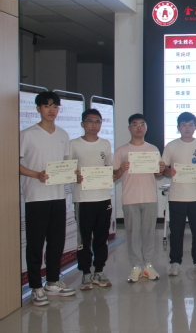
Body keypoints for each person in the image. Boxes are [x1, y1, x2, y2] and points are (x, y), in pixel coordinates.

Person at [20, 91, 77, 306]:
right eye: (46, 105)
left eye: (55, 106)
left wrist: (72, 173)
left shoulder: (63, 134)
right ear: (38, 109)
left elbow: (66, 163)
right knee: (36, 243)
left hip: (58, 195)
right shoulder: (27, 134)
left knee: (56, 241)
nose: (51, 110)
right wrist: (37, 175)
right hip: (36, 196)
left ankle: (52, 281)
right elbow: (14, 163)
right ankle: (36, 286)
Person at [113, 114, 166, 283]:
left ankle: (148, 265)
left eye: (142, 124)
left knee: (149, 233)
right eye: (135, 124)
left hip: (149, 197)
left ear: (146, 128)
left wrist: (161, 169)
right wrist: (121, 169)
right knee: (133, 233)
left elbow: (157, 174)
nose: (139, 127)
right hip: (130, 198)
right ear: (129, 128)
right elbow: (114, 176)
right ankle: (136, 266)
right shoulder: (121, 150)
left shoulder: (153, 149)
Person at [162, 112, 196, 276]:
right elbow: (163, 167)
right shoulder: (171, 146)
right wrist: (168, 171)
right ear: (178, 127)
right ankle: (175, 262)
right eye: (184, 125)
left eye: (191, 125)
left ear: (195, 127)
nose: (187, 128)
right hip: (177, 196)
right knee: (176, 232)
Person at [70, 108, 114, 290]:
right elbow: (68, 169)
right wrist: (74, 176)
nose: (94, 125)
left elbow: (108, 168)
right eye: (90, 121)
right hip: (83, 199)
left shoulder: (105, 144)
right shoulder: (73, 144)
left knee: (102, 237)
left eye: (97, 122)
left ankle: (99, 271)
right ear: (82, 124)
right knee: (84, 238)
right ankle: (86, 273)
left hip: (103, 197)